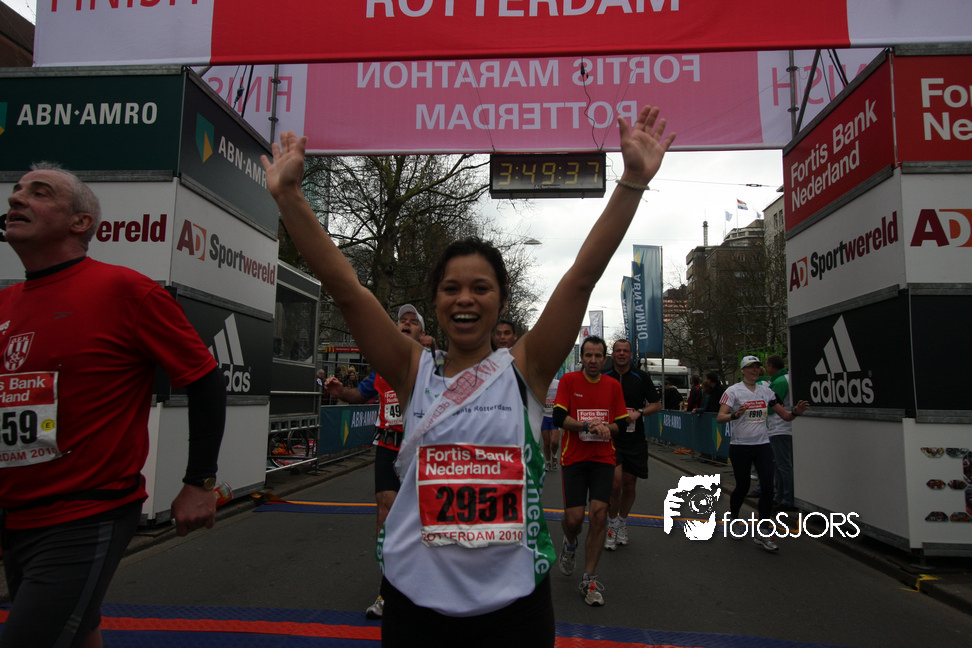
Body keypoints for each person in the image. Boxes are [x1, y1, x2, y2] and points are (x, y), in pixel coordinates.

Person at [261, 105, 674, 644]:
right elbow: (347, 290)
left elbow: (580, 278)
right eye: (451, 288)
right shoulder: (412, 369)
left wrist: (632, 183)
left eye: (481, 288)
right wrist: (290, 197)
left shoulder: (526, 368)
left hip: (515, 606)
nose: (465, 298)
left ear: (500, 302)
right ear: (436, 303)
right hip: (416, 603)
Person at [0, 163, 226, 648]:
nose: (17, 198)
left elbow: (206, 380)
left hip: (86, 511)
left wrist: (200, 482)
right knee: (78, 633)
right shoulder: (7, 301)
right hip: (15, 514)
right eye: (16, 190)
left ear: (80, 222)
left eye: (39, 192)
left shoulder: (127, 291)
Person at [323, 304, 427, 620]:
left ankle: (423, 585)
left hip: (420, 453)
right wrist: (342, 391)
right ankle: (387, 590)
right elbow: (360, 395)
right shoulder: (382, 368)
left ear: (422, 333)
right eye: (401, 321)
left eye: (413, 322)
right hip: (387, 447)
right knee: (386, 514)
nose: (406, 324)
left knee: (422, 521)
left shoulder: (431, 367)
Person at [553, 336, 629, 606]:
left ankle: (589, 579)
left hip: (603, 459)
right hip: (574, 459)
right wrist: (586, 426)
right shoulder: (569, 381)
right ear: (582, 358)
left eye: (598, 356)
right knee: (574, 520)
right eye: (588, 355)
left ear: (605, 358)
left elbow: (622, 424)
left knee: (598, 516)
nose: (593, 360)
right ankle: (570, 542)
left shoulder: (613, 386)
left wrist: (607, 428)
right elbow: (559, 417)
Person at [717, 355, 808, 552]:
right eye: (750, 367)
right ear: (742, 370)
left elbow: (785, 416)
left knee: (767, 487)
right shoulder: (733, 391)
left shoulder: (767, 391)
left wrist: (796, 412)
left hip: (763, 445)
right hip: (740, 446)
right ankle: (734, 519)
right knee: (743, 487)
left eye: (757, 367)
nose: (754, 370)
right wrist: (735, 415)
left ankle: (764, 531)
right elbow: (720, 417)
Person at [602, 339, 662, 550]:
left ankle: (622, 523)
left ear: (630, 354)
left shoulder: (641, 377)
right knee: (615, 484)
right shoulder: (605, 376)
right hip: (611, 438)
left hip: (634, 438)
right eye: (618, 350)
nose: (621, 354)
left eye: (625, 351)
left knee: (629, 485)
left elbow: (657, 404)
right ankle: (611, 525)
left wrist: (639, 413)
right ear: (613, 354)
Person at [764, 354, 797, 512]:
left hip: (779, 428)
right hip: (784, 427)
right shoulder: (785, 379)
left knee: (783, 465)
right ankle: (781, 497)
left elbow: (772, 407)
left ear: (771, 366)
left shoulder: (779, 382)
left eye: (766, 365)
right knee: (782, 465)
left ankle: (786, 499)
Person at [541, 377, 562, 472]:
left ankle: (554, 455)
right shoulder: (540, 383)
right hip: (544, 416)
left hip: (554, 416)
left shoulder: (557, 383)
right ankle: (548, 462)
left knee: (554, 442)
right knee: (546, 443)